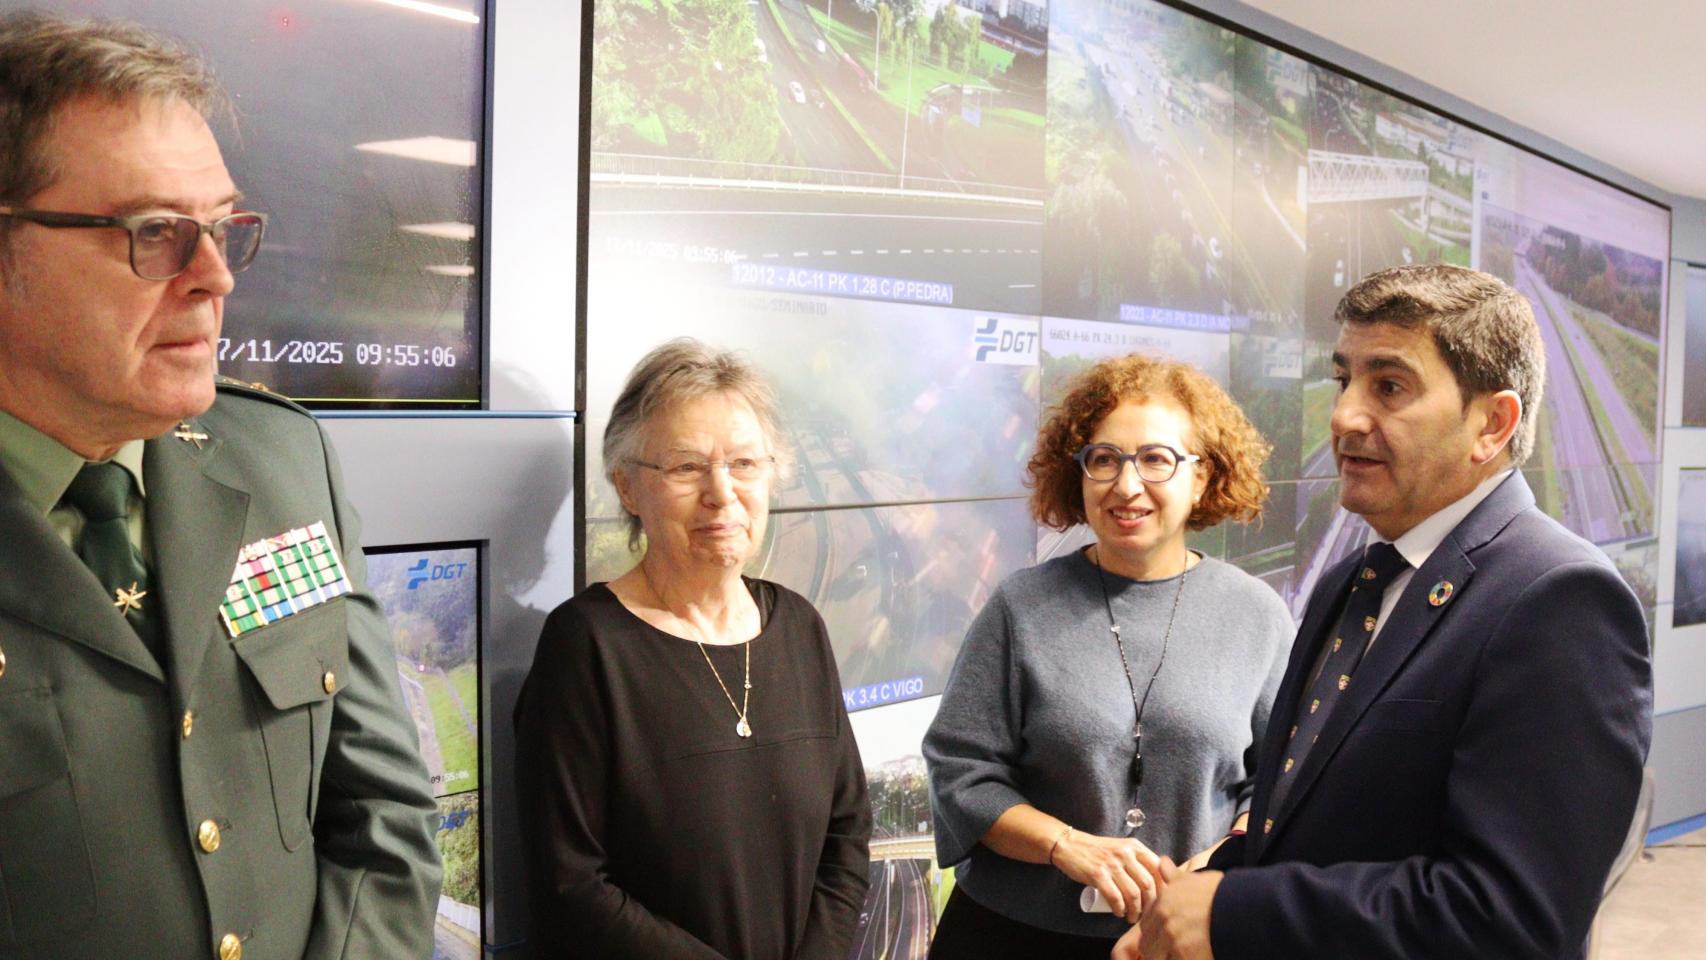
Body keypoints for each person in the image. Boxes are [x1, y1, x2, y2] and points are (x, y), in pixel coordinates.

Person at [0, 13, 442, 960]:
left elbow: (385, 811)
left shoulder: (282, 463)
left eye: (222, 228)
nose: (214, 279)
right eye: (155, 233)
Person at [1120, 264, 1654, 960]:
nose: (1344, 415)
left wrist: (1238, 912)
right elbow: (1319, 815)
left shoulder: (1560, 601)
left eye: (1390, 386)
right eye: (1345, 379)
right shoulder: (1355, 579)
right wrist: (1218, 874)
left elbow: (1512, 918)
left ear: (1492, 424)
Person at [922, 353, 1294, 958]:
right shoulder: (1021, 606)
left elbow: (1282, 783)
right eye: (1104, 460)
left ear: (1202, 477)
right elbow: (960, 771)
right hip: (1009, 934)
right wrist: (1066, 844)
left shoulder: (1257, 614)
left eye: (1156, 459)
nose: (1126, 485)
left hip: (1179, 938)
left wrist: (1220, 862)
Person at [514, 339, 871, 959]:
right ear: (627, 487)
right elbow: (570, 884)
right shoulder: (587, 646)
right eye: (685, 468)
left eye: (744, 464)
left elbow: (846, 834)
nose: (722, 493)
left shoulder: (799, 628)